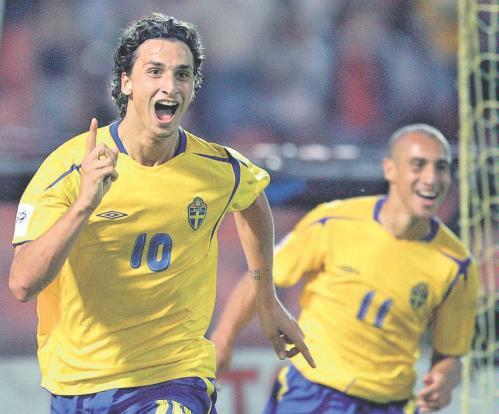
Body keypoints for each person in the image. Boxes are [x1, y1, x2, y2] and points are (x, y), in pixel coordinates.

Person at [8, 13, 314, 414]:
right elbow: (22, 284)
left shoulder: (218, 168)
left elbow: (253, 200)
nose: (169, 85)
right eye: (155, 71)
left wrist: (267, 298)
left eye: (182, 74)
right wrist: (84, 205)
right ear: (126, 82)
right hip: (78, 384)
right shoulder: (69, 168)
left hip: (174, 376)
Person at [211, 124, 479, 414]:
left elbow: (450, 354)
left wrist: (445, 379)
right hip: (314, 393)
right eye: (418, 165)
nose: (431, 178)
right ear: (390, 169)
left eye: (441, 167)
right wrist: (224, 339)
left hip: (390, 403)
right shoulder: (333, 222)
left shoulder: (456, 264)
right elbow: (263, 276)